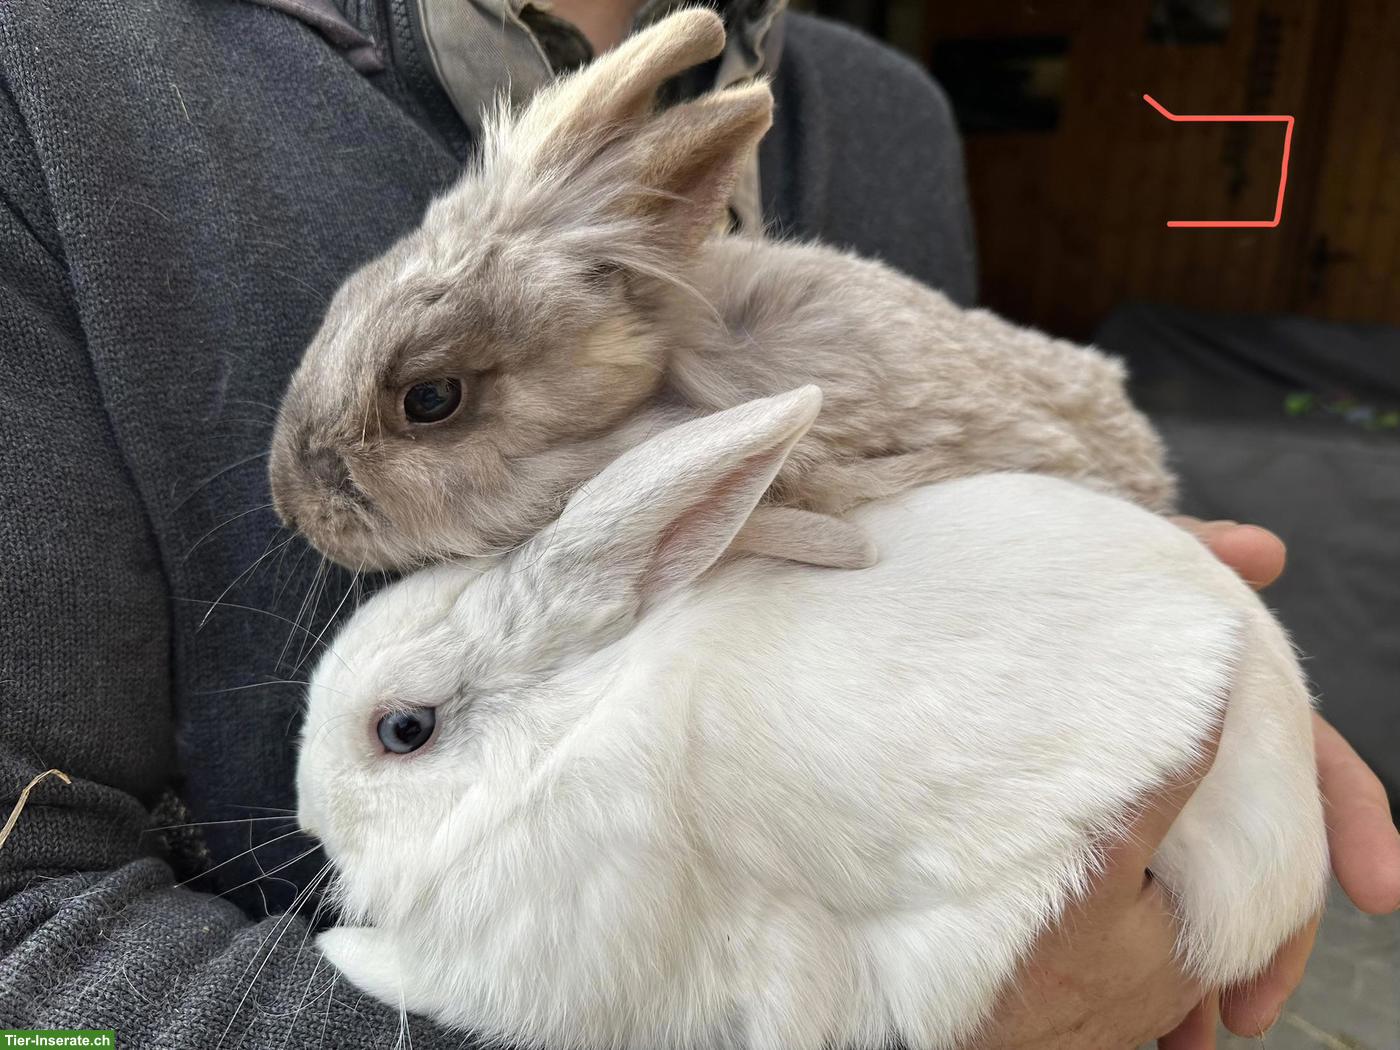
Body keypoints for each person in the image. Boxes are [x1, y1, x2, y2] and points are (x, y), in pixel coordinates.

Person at [0, 1, 1395, 1047]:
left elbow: (928, 559)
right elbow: (28, 982)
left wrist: (1174, 676)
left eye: (431, 405)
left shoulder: (880, 112)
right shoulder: (51, 81)